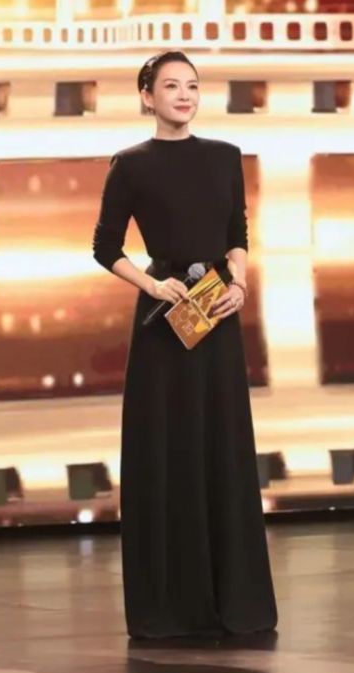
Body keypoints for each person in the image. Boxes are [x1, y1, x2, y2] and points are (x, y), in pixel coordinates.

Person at [91, 51, 277, 639]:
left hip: (218, 313)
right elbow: (104, 245)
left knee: (222, 444)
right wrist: (152, 284)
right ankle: (169, 606)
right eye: (171, 85)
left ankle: (234, 600)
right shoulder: (130, 164)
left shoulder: (225, 157)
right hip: (164, 320)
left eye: (192, 86)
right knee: (165, 448)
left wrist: (241, 283)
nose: (184, 94)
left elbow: (236, 234)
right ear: (147, 96)